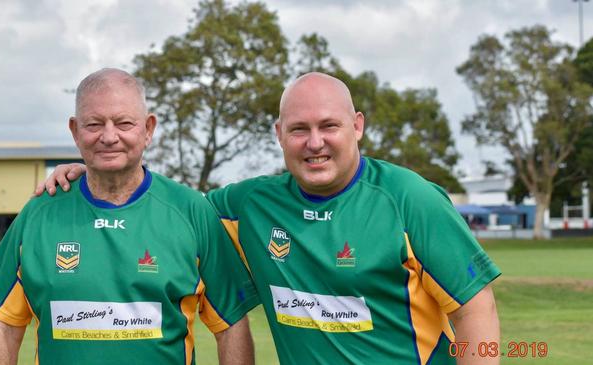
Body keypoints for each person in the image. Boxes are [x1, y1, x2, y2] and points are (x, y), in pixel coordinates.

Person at [38, 72, 501, 365]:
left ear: (356, 126)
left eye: (329, 127)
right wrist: (96, 173)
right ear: (280, 134)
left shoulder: (410, 200)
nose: (314, 142)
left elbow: (475, 309)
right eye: (299, 129)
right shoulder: (250, 206)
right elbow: (167, 209)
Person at [0, 68, 259, 365]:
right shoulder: (39, 213)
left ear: (148, 129)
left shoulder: (191, 211)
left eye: (123, 123)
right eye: (94, 124)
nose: (109, 137)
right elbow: (3, 325)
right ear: (75, 130)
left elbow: (231, 326)